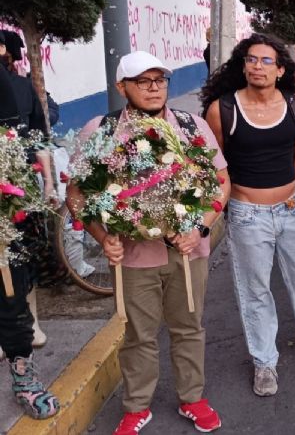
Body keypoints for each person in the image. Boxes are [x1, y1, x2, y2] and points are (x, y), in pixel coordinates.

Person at [67, 51, 229, 433]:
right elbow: (76, 194)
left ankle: (193, 397)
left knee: (189, 326)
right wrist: (103, 236)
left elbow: (221, 184)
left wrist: (200, 229)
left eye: (160, 80)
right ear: (121, 87)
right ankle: (137, 405)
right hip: (134, 257)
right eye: (143, 81)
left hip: (187, 253)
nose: (154, 88)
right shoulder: (101, 132)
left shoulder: (191, 128)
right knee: (138, 333)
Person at [200, 34, 295, 398]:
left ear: (281, 69)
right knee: (256, 290)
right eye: (251, 59)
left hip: (290, 209)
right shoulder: (223, 110)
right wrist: (243, 199)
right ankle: (264, 361)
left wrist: (284, 190)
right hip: (247, 214)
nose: (257, 67)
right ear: (242, 65)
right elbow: (215, 164)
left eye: (267, 61)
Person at [0, 55, 59, 422]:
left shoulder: (12, 87)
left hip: (7, 209)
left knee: (11, 290)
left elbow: (24, 144)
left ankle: (23, 377)